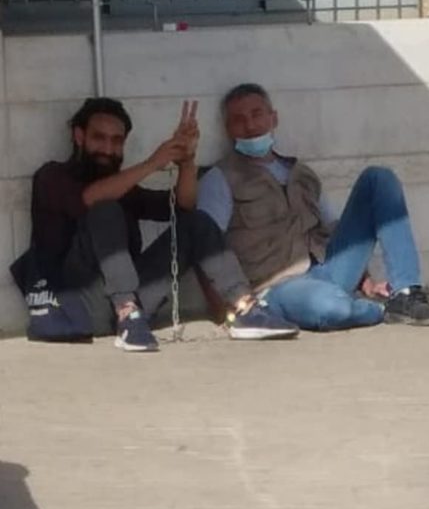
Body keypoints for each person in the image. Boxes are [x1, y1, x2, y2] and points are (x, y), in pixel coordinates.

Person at [13, 96, 298, 351]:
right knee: (105, 210)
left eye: (117, 141)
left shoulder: (125, 189)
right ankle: (127, 312)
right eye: (99, 138)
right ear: (79, 136)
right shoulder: (51, 176)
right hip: (78, 305)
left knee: (196, 222)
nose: (108, 149)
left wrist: (186, 160)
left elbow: (182, 206)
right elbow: (90, 199)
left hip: (134, 305)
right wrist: (153, 163)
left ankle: (245, 308)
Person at [197, 83, 429, 330]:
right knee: (332, 308)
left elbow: (333, 228)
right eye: (239, 120)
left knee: (379, 178)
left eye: (257, 114)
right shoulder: (221, 178)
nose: (250, 126)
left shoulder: (302, 174)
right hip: (278, 287)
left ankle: (405, 293)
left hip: (329, 270)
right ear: (228, 129)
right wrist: (226, 309)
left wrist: (366, 281)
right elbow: (206, 245)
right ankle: (379, 310)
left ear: (274, 118)